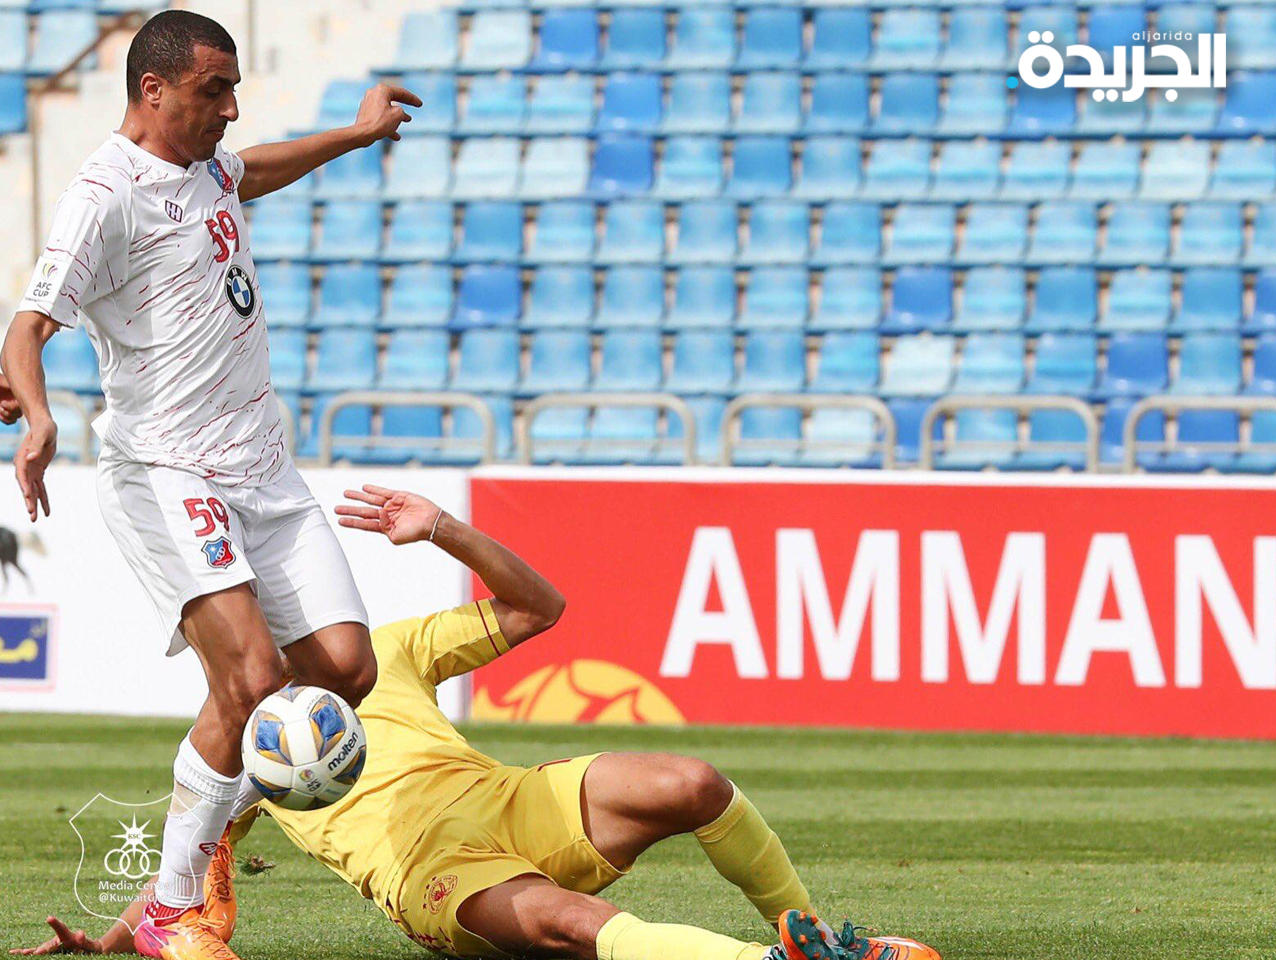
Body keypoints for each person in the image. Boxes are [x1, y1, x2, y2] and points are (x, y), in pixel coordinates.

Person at [12, 484, 942, 960]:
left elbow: (542, 609)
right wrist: (110, 938)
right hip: (436, 878)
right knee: (570, 924)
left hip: (514, 801)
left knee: (692, 782)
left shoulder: (389, 650)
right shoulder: (244, 747)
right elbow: (181, 860)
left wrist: (448, 530)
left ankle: (813, 934)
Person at [0, 12, 421, 960]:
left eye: (232, 90)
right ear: (152, 90)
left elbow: (254, 170)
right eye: (211, 92)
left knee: (348, 672)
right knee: (251, 678)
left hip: (264, 466)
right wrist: (37, 416)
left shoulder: (205, 167)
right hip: (168, 467)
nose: (229, 110)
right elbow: (27, 326)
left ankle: (196, 860)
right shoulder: (103, 195)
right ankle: (170, 908)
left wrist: (353, 136)